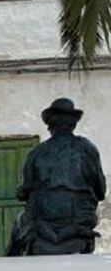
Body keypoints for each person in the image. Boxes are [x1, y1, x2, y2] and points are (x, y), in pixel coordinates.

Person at [9, 97, 106, 255]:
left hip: (43, 220)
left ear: (50, 126)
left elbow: (24, 190)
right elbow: (101, 191)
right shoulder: (88, 149)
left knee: (19, 226)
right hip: (79, 218)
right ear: (73, 124)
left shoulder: (37, 152)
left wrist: (22, 191)